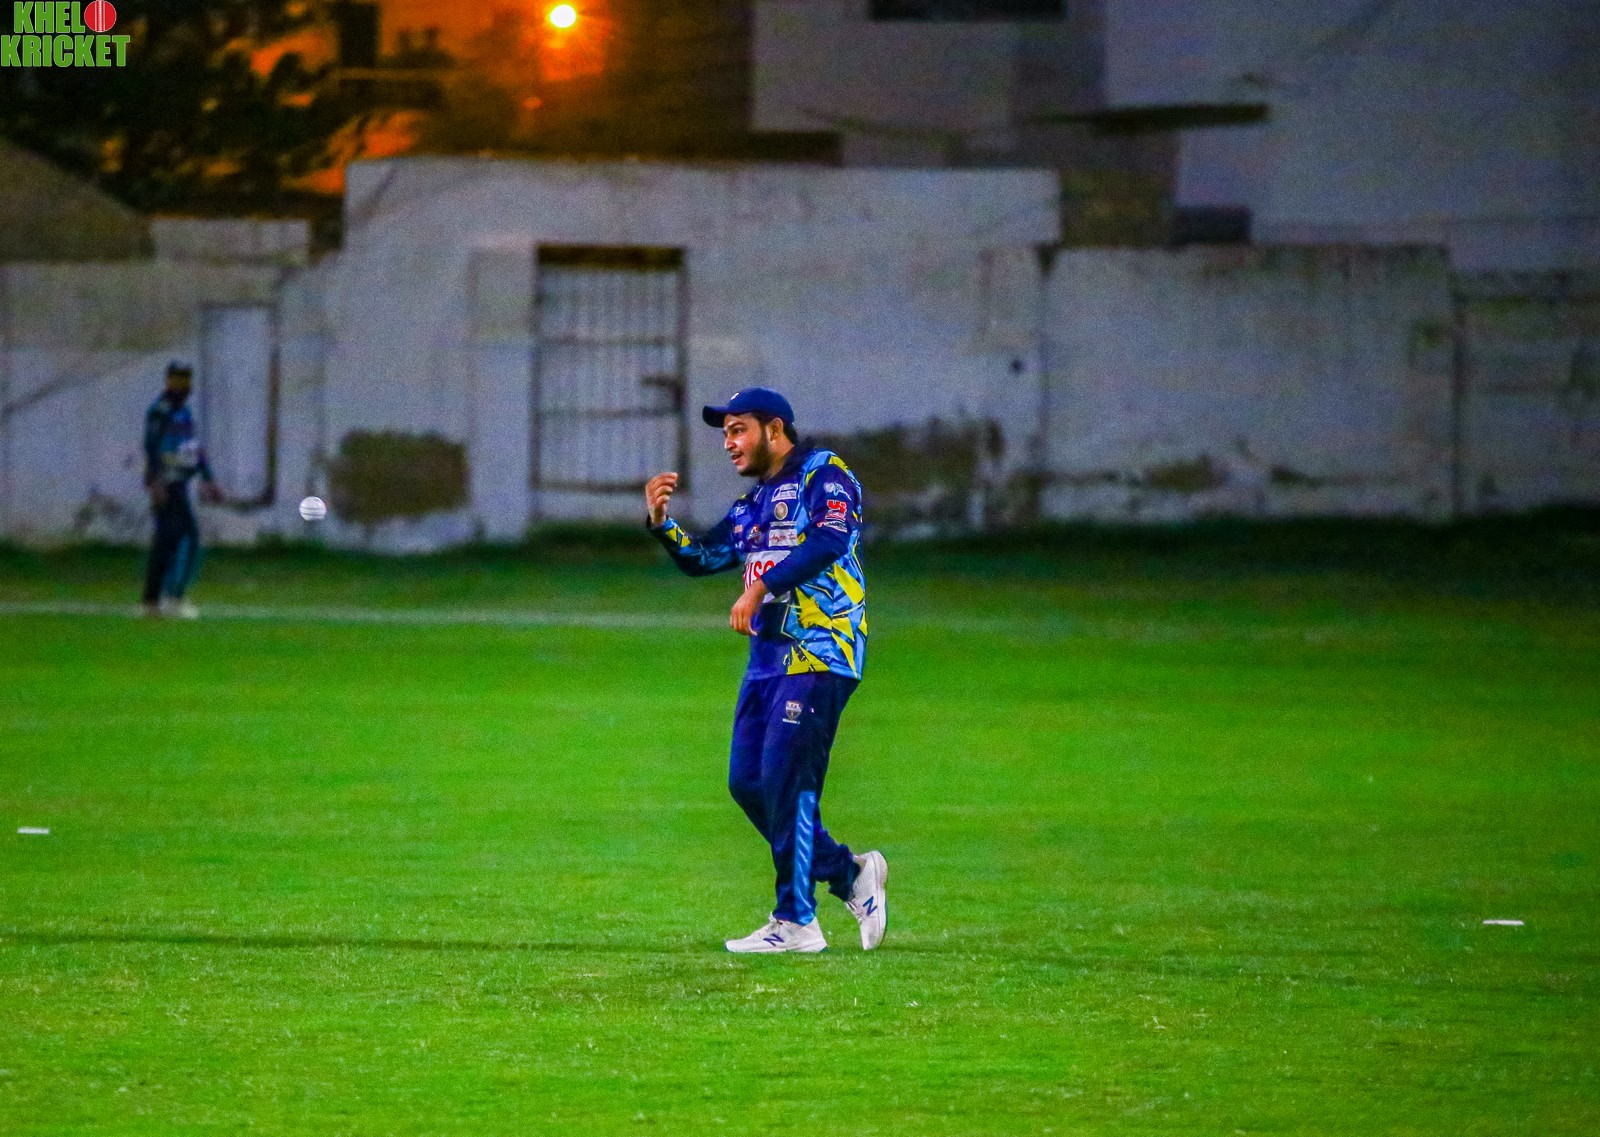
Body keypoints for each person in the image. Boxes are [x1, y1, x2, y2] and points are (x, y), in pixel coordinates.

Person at [645, 387, 888, 954]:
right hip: (768, 658)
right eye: (725, 433)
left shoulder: (823, 473)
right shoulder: (753, 503)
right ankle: (848, 874)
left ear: (774, 429)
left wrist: (761, 586)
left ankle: (796, 921)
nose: (728, 443)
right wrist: (661, 523)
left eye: (738, 430)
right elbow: (704, 557)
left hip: (820, 648)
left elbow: (831, 539)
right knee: (748, 783)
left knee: (787, 779)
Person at [142, 362, 221, 618]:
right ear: (168, 382)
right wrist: (155, 482)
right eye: (177, 380)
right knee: (184, 538)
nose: (182, 386)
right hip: (167, 485)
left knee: (168, 541)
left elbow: (192, 449)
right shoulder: (161, 411)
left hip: (179, 485)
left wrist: (207, 478)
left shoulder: (184, 413)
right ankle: (171, 598)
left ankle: (154, 599)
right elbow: (151, 447)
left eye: (185, 380)